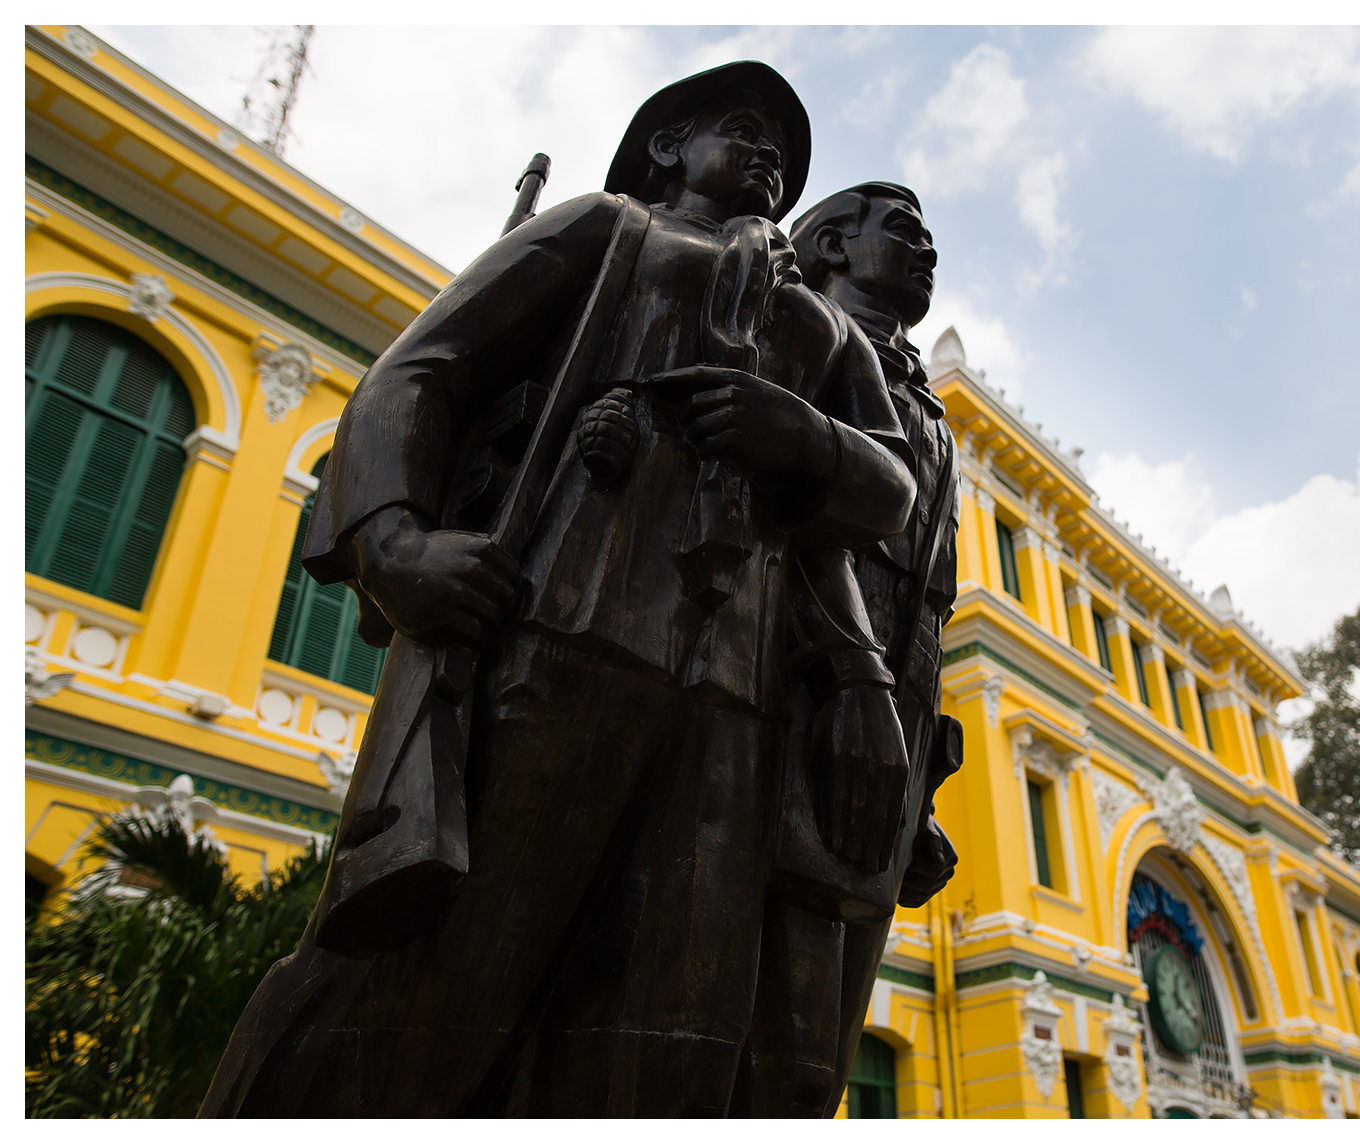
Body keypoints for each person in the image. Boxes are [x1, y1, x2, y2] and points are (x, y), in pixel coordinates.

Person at [201, 61, 916, 1118]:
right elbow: (420, 371)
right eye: (744, 127)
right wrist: (393, 544)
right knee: (433, 983)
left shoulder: (821, 331)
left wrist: (798, 434)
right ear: (666, 145)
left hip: (734, 699)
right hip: (556, 628)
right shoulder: (605, 230)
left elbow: (888, 485)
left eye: (785, 149)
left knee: (668, 1029)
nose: (770, 154)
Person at [730, 182, 963, 1116]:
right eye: (903, 230)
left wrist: (921, 792)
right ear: (827, 241)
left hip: (884, 742)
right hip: (781, 692)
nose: (928, 250)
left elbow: (928, 605)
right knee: (745, 1035)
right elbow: (774, 522)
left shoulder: (935, 417)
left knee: (815, 1064)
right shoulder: (790, 331)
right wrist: (844, 678)